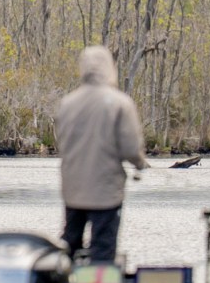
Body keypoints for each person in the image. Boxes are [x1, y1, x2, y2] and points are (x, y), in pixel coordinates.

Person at [55, 45, 149, 263]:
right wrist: (140, 163)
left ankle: (65, 281)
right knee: (103, 247)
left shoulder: (67, 103)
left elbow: (61, 142)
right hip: (105, 192)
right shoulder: (120, 103)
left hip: (73, 190)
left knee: (70, 243)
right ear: (109, 68)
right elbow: (131, 149)